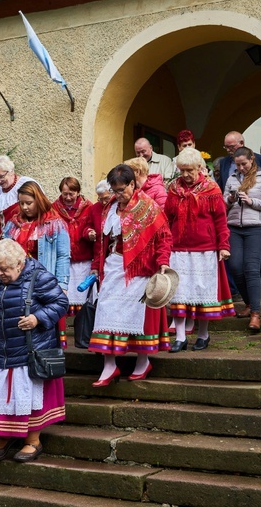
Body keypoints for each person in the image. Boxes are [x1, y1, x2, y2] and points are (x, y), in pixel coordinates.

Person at [0, 239, 68, 462]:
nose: (0, 273)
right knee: (2, 395)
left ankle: (33, 442)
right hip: (4, 348)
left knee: (27, 395)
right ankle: (5, 435)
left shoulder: (40, 277)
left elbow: (61, 302)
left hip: (32, 349)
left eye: (5, 269)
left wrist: (37, 318)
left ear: (19, 263)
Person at [89, 164, 172, 385]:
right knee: (106, 311)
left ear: (133, 184)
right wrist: (97, 266)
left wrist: (163, 262)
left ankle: (143, 362)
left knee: (138, 315)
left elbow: (164, 237)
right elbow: (102, 241)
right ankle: (109, 367)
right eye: (114, 190)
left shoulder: (149, 207)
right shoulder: (109, 209)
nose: (117, 195)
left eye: (121, 190)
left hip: (139, 269)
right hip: (113, 266)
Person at [165, 148, 235, 352]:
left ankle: (203, 334)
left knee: (203, 292)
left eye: (189, 170)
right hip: (178, 249)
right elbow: (167, 220)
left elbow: (221, 221)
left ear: (199, 168)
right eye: (182, 170)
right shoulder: (173, 190)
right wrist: (166, 246)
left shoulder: (212, 190)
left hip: (205, 250)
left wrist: (223, 246)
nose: (185, 175)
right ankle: (180, 337)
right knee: (178, 292)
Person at [3, 181, 70, 345]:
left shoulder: (55, 223)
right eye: (21, 203)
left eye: (29, 203)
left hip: (41, 283)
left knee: (41, 326)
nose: (24, 207)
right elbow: (3, 252)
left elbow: (63, 256)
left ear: (38, 200)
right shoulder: (12, 225)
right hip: (16, 282)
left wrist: (62, 284)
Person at [224, 147, 261, 332]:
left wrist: (251, 202)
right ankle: (248, 304)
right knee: (235, 267)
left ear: (252, 159)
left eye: (244, 164)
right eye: (238, 164)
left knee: (251, 268)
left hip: (256, 228)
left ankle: (255, 313)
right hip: (234, 228)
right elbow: (222, 203)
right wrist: (231, 199)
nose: (241, 168)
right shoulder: (232, 178)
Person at [53, 177, 94, 315]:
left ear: (78, 192)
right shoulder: (54, 209)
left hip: (84, 258)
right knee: (63, 295)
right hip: (64, 261)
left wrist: (89, 233)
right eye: (65, 194)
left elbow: (91, 225)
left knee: (83, 298)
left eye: (72, 193)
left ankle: (82, 330)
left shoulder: (89, 207)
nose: (68, 197)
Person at [0, 155, 38, 244]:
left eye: (1, 176)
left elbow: (41, 212)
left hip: (23, 242)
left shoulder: (27, 184)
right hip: (2, 246)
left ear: (11, 171)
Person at [85, 180, 112, 244]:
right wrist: (89, 232)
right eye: (100, 199)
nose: (103, 202)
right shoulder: (94, 208)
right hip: (99, 249)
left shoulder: (118, 206)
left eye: (106, 198)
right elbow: (88, 225)